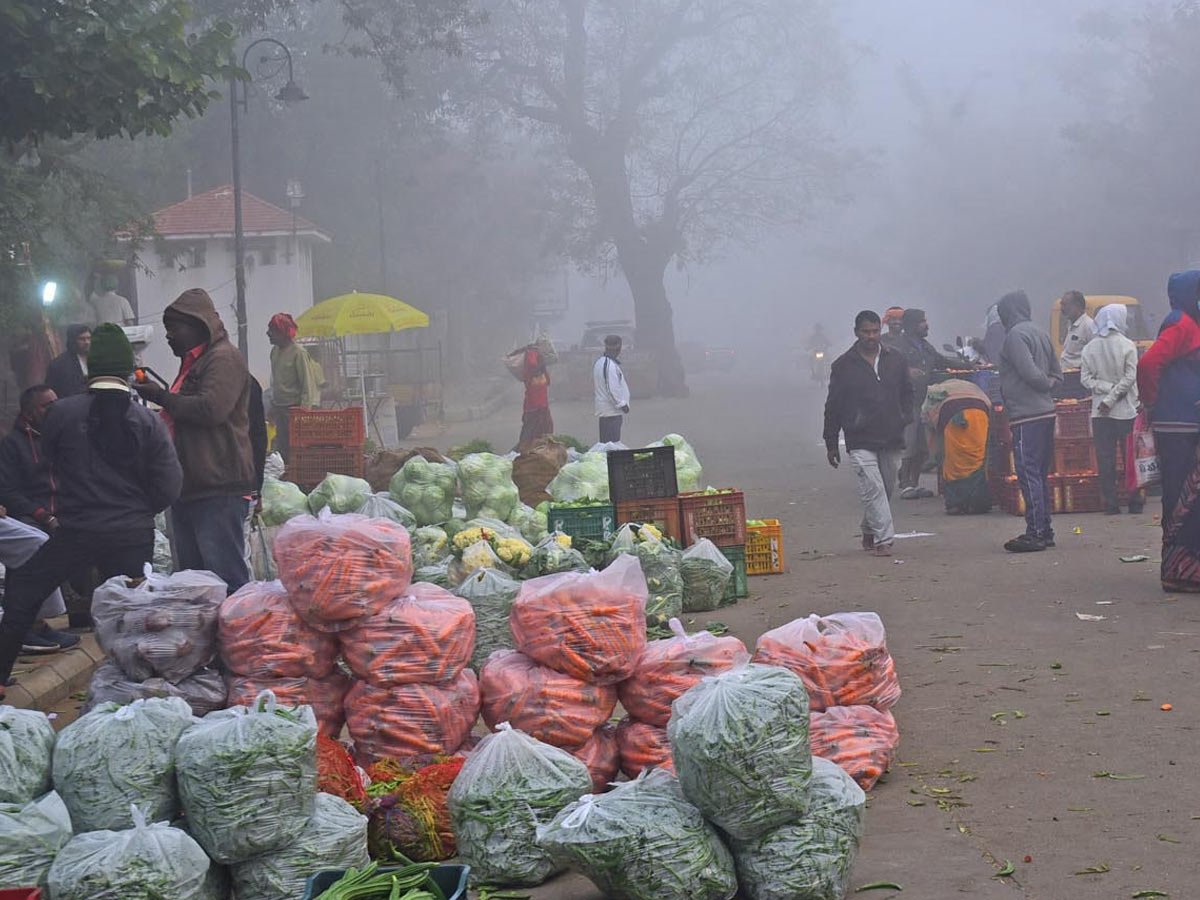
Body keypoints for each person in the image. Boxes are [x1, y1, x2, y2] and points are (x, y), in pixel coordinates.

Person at [0, 324, 181, 700]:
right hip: (131, 533)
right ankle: (147, 689)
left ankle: (1, 677)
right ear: (129, 371)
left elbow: (49, 459)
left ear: (89, 368)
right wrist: (136, 510)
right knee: (137, 615)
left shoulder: (61, 414)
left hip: (76, 530)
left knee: (23, 591)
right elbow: (169, 486)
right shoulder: (146, 421)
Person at [133, 289, 255, 594]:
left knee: (226, 580)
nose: (169, 337)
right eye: (167, 331)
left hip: (217, 485)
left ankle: (239, 637)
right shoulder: (193, 364)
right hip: (189, 487)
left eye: (174, 329)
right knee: (193, 585)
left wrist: (160, 396)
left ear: (198, 325)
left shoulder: (224, 358)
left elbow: (211, 409)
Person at [823, 310, 914, 557]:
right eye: (866, 331)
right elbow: (833, 406)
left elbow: (908, 393)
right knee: (873, 488)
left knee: (885, 487)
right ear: (856, 333)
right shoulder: (843, 366)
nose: (871, 336)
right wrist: (831, 442)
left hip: (891, 435)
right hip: (859, 437)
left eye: (874, 331)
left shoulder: (896, 359)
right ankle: (884, 540)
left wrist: (906, 417)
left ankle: (869, 528)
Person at [0, 385, 79, 653]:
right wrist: (44, 515)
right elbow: (8, 491)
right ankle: (27, 625)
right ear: (30, 412)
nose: (54, 408)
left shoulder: (62, 435)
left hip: (67, 510)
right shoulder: (13, 444)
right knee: (31, 543)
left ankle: (90, 613)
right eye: (46, 405)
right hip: (31, 513)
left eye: (56, 402)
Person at [997, 290, 1062, 552]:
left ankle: (1035, 532)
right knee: (1039, 475)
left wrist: (1042, 384)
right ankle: (1044, 529)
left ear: (1009, 313)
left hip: (1027, 415)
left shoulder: (1015, 336)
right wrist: (1050, 385)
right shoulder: (1041, 332)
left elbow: (1030, 373)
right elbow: (1058, 372)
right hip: (1045, 412)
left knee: (1029, 472)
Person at [1138, 271, 1200, 530]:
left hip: (1187, 421)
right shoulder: (1181, 324)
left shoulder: (1191, 322)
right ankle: (1178, 560)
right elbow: (1148, 364)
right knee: (1178, 493)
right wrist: (1152, 403)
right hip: (1177, 424)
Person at [1081, 304, 1142, 516]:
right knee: (1129, 459)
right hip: (1125, 411)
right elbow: (1130, 378)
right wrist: (1114, 394)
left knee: (1105, 459)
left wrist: (1106, 396)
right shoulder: (1128, 345)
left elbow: (1086, 379)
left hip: (1100, 413)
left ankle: (1111, 504)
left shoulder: (1089, 348)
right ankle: (1135, 502)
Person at [895, 308, 950, 499]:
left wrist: (971, 365)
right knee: (909, 443)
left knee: (922, 446)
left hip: (925, 401)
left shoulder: (925, 346)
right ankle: (905, 483)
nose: (926, 324)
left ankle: (915, 484)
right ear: (911, 325)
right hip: (907, 402)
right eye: (922, 321)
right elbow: (888, 366)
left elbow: (942, 361)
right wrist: (906, 371)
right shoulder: (899, 345)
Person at [922, 379, 993, 515]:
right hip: (979, 414)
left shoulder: (934, 392)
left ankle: (955, 504)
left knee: (953, 463)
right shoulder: (975, 390)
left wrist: (934, 454)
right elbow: (989, 407)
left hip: (952, 415)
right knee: (977, 460)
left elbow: (928, 422)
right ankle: (977, 503)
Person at [266, 312, 321, 461]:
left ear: (282, 333)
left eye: (272, 331)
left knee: (296, 451)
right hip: (280, 409)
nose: (268, 334)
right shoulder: (275, 352)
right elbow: (276, 383)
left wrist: (302, 415)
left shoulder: (299, 353)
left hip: (295, 410)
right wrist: (273, 406)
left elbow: (308, 386)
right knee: (282, 450)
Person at [594, 334, 631, 443]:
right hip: (611, 413)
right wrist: (622, 404)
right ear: (618, 347)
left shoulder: (602, 362)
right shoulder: (608, 365)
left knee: (608, 446)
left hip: (609, 412)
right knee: (612, 446)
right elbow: (611, 388)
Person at [518, 345, 554, 450]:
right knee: (530, 432)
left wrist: (543, 366)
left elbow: (547, 381)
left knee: (544, 431)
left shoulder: (541, 373)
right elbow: (533, 365)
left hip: (542, 405)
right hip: (534, 406)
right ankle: (525, 449)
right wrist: (542, 365)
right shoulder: (531, 354)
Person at [44, 325, 91, 399]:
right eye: (82, 339)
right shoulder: (59, 364)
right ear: (73, 340)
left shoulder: (97, 359)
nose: (87, 342)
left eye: (89, 338)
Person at [1058, 290, 1096, 370]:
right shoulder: (1070, 325)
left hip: (1078, 376)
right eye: (1061, 305)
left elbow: (1096, 356)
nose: (1062, 309)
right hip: (1066, 374)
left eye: (1065, 305)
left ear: (1078, 306)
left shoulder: (1089, 326)